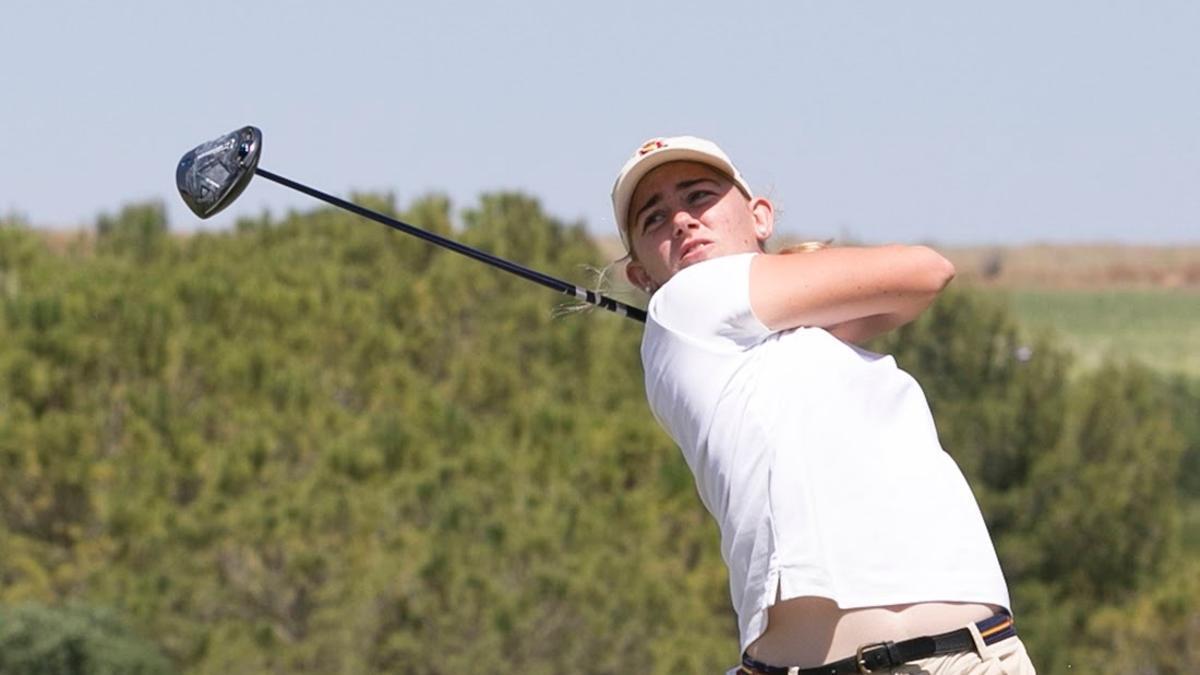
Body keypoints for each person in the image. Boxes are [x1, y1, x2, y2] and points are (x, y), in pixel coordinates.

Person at [610, 136, 1036, 675]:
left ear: (759, 216)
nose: (681, 221)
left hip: (969, 655)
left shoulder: (796, 342)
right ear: (640, 276)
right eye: (654, 218)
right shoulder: (683, 301)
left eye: (698, 196)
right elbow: (921, 271)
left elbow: (920, 286)